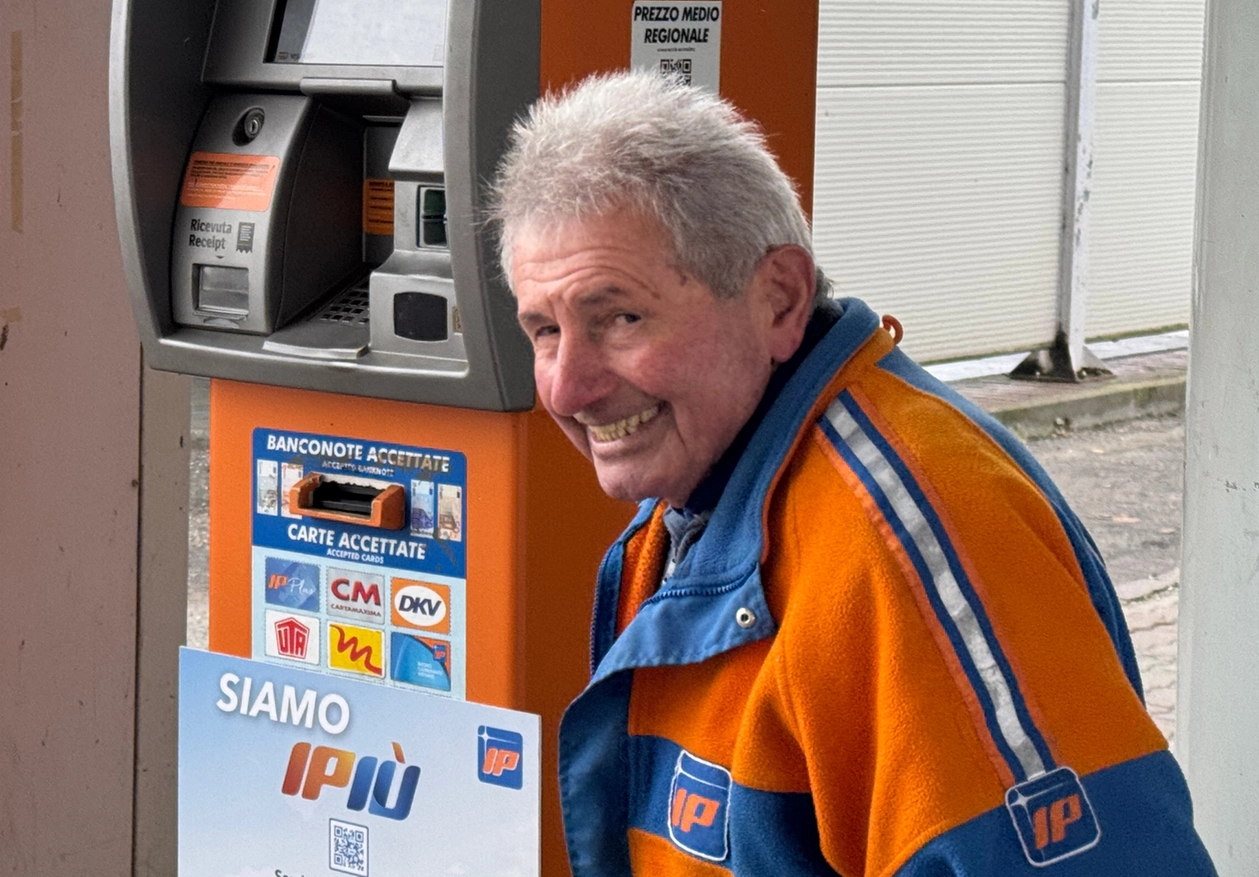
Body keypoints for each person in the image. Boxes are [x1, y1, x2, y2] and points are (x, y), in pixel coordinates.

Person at [492, 70, 1216, 876]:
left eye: (620, 317)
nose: (566, 385)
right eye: (545, 329)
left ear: (779, 299)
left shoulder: (905, 545)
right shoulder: (708, 489)